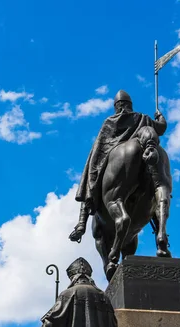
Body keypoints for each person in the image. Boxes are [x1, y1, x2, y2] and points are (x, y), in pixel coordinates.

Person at [69, 90, 168, 242]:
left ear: (117, 106)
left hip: (115, 158)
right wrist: (160, 117)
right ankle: (160, 229)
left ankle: (81, 224)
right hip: (145, 152)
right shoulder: (143, 118)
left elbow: (99, 146)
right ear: (130, 105)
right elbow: (161, 128)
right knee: (158, 188)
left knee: (91, 172)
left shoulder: (110, 121)